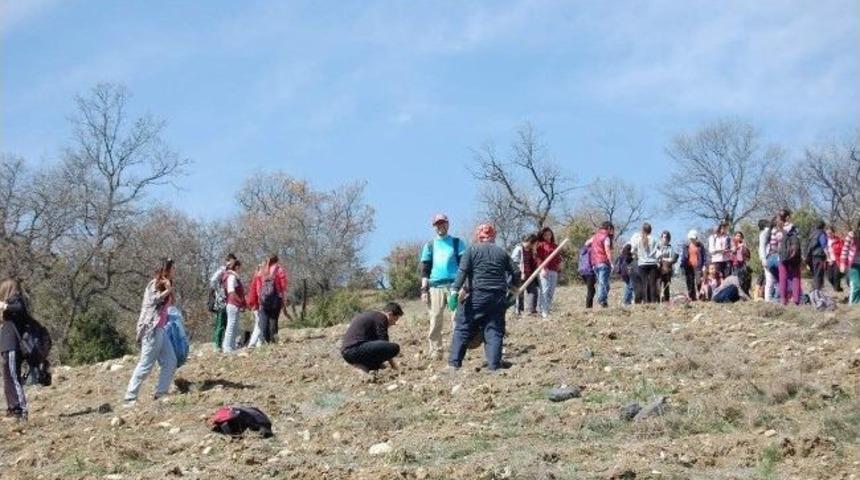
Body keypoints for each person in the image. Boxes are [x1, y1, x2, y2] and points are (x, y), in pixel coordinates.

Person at [447, 224, 520, 372]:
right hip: (498, 297)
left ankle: (454, 364)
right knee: (494, 330)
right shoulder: (502, 252)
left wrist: (454, 291)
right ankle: (494, 366)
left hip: (477, 295)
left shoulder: (472, 250)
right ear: (493, 236)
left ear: (478, 237)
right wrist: (513, 291)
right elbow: (517, 273)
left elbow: (462, 272)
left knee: (463, 328)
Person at [124, 259, 178, 403]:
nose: (175, 271)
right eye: (172, 269)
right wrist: (168, 291)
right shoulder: (153, 285)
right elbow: (153, 300)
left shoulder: (166, 284)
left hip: (160, 329)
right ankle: (130, 396)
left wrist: (169, 290)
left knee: (170, 361)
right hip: (151, 330)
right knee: (146, 364)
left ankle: (161, 393)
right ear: (165, 270)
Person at [419, 214, 467, 360]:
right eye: (437, 224)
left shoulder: (457, 243)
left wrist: (465, 287)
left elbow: (465, 266)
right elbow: (425, 269)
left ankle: (458, 350)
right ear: (435, 227)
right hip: (435, 287)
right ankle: (435, 351)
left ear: (448, 224)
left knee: (457, 319)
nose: (440, 226)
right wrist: (424, 290)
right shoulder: (429, 245)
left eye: (443, 223)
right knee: (435, 319)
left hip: (454, 286)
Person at [341, 303, 403, 373]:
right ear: (390, 314)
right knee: (394, 348)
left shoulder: (373, 316)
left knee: (379, 362)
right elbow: (384, 343)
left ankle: (364, 366)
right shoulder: (382, 317)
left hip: (347, 353)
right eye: (395, 319)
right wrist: (393, 366)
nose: (394, 323)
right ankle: (366, 366)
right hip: (354, 349)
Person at [0, 279, 31, 420]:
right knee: (7, 378)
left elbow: (20, 308)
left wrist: (5, 305)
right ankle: (13, 408)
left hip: (13, 346)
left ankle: (22, 409)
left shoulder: (16, 300)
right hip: (6, 346)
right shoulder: (10, 307)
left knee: (13, 377)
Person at [773, 209, 802, 306]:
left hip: (782, 255)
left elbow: (773, 244)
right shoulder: (795, 228)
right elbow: (799, 241)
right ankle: (796, 300)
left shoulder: (776, 229)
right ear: (788, 217)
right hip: (794, 257)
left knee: (782, 278)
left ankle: (783, 300)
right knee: (795, 277)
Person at [209, 253, 236, 351]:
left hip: (228, 300)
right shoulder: (222, 270)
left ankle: (224, 343)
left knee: (226, 323)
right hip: (221, 301)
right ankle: (217, 345)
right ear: (227, 261)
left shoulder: (231, 272)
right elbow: (212, 281)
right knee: (220, 322)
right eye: (231, 261)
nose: (232, 263)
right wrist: (220, 292)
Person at [584, 222, 614, 308]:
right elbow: (607, 250)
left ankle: (603, 299)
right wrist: (611, 262)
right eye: (611, 229)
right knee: (602, 283)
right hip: (603, 262)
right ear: (608, 228)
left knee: (604, 284)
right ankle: (602, 301)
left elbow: (586, 243)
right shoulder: (606, 237)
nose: (612, 231)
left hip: (595, 263)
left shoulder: (596, 236)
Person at [535, 227, 562, 318]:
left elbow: (558, 257)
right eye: (545, 235)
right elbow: (538, 258)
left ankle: (547, 308)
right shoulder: (540, 245)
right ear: (542, 236)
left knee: (551, 291)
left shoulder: (555, 246)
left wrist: (559, 264)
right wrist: (542, 268)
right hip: (544, 270)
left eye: (549, 234)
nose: (548, 236)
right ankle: (543, 312)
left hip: (554, 270)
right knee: (545, 290)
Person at [628, 223, 658, 303]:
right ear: (650, 230)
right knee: (652, 283)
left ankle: (645, 301)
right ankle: (653, 301)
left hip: (642, 264)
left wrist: (638, 255)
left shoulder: (639, 239)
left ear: (642, 230)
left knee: (644, 283)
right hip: (653, 263)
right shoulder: (654, 239)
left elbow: (632, 250)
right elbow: (658, 251)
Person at [510, 233, 539, 316]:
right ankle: (517, 312)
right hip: (519, 275)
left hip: (530, 274)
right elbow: (514, 263)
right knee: (519, 293)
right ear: (529, 241)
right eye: (532, 243)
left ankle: (532, 311)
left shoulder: (531, 250)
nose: (533, 245)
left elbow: (534, 262)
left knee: (533, 291)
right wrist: (521, 272)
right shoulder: (518, 249)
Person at [221, 259, 246, 353]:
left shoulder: (234, 276)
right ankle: (227, 347)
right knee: (231, 326)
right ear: (236, 267)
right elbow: (231, 291)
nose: (240, 270)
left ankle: (231, 346)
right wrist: (239, 301)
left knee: (234, 326)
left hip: (234, 304)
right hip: (233, 304)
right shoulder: (232, 277)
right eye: (240, 268)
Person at [680, 230, 706, 301]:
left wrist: (704, 265)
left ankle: (701, 296)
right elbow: (683, 257)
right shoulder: (686, 246)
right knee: (690, 282)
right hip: (688, 266)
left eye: (693, 238)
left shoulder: (700, 245)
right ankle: (692, 297)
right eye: (691, 238)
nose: (692, 240)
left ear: (696, 238)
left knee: (699, 282)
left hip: (698, 266)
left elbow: (704, 256)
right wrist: (682, 265)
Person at [654, 231, 678, 302]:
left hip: (667, 270)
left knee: (666, 286)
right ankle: (657, 301)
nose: (665, 239)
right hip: (658, 270)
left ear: (669, 239)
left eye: (667, 237)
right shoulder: (657, 247)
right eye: (664, 237)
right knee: (658, 285)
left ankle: (667, 301)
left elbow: (672, 259)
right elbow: (655, 257)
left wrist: (663, 259)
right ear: (661, 238)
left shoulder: (670, 248)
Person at [807, 221, 829, 293]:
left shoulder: (812, 234)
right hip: (820, 256)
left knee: (815, 273)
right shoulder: (822, 234)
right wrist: (828, 256)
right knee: (819, 274)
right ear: (823, 226)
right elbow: (824, 246)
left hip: (812, 256)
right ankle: (817, 291)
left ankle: (814, 290)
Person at [840, 223, 859, 304]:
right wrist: (842, 263)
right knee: (856, 285)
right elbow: (845, 249)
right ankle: (853, 304)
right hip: (853, 264)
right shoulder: (851, 235)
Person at [757, 220, 776, 301]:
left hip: (770, 258)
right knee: (769, 280)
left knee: (771, 280)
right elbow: (762, 247)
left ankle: (770, 298)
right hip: (768, 258)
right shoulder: (765, 233)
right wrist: (763, 259)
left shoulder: (770, 232)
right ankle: (768, 300)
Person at [827, 226, 844, 292]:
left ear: (833, 233)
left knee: (836, 276)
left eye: (830, 233)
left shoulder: (839, 240)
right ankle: (838, 288)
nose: (829, 235)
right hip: (829, 261)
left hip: (837, 261)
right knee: (829, 278)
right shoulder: (826, 241)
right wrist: (828, 259)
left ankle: (836, 291)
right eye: (827, 233)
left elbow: (843, 251)